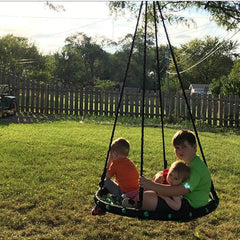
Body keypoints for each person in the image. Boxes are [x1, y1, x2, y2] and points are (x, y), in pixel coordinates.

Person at [139, 129, 211, 216]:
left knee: (147, 199)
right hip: (180, 199)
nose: (180, 151)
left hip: (190, 205)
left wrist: (153, 186)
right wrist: (160, 175)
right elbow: (172, 174)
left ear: (194, 147)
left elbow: (184, 188)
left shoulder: (196, 169)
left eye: (184, 146)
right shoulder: (190, 162)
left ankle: (133, 203)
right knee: (146, 195)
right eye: (177, 148)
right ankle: (131, 201)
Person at [92, 137, 140, 215]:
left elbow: (107, 177)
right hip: (136, 190)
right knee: (114, 183)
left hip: (124, 192)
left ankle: (103, 206)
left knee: (104, 182)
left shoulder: (115, 164)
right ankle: (125, 199)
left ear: (115, 153)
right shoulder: (130, 162)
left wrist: (109, 161)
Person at [123, 160, 190, 211]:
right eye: (170, 175)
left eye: (176, 178)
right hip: (155, 195)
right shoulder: (168, 182)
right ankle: (126, 196)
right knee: (143, 189)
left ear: (182, 181)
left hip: (158, 201)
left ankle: (133, 203)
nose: (171, 179)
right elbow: (161, 173)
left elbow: (177, 206)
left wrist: (166, 198)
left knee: (146, 193)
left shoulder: (176, 191)